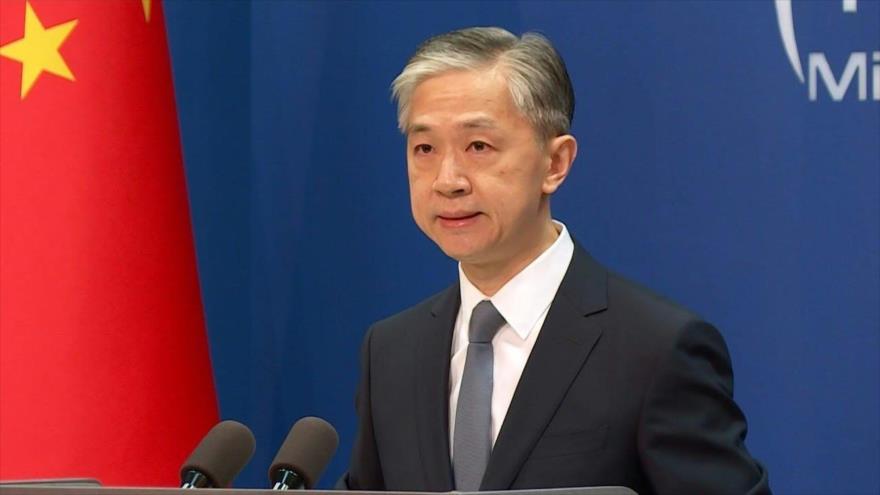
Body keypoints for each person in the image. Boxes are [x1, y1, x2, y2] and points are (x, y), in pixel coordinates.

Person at [340, 27, 770, 494]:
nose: (448, 180)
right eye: (424, 149)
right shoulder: (391, 351)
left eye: (478, 146)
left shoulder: (654, 350)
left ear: (555, 163)